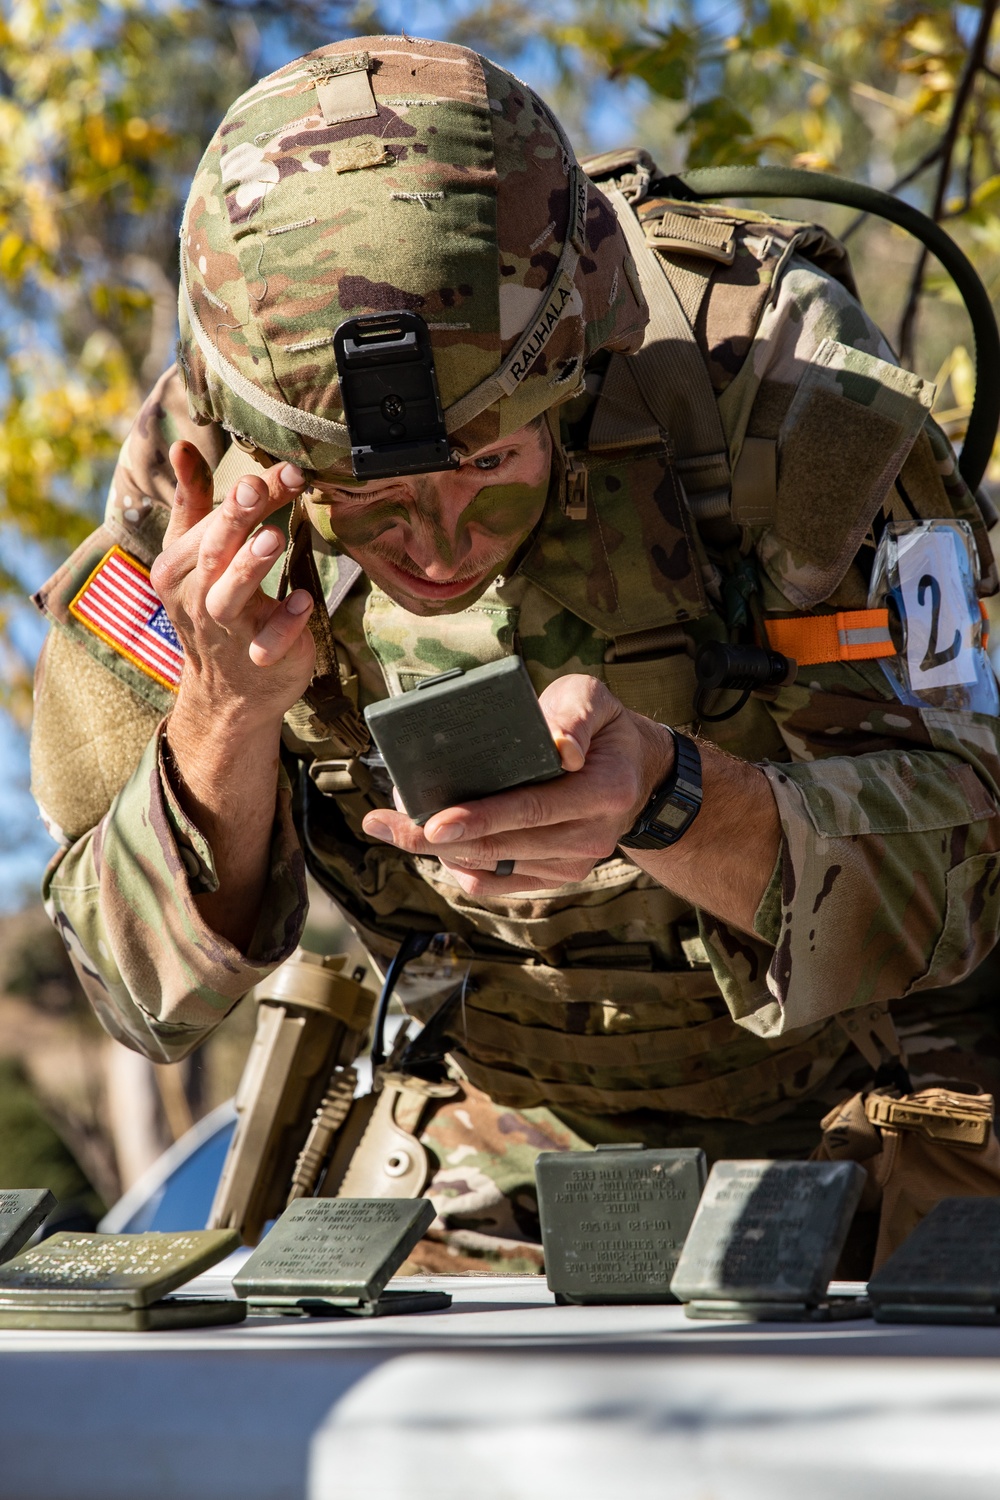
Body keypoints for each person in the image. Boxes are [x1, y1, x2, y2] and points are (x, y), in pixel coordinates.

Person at [30, 36, 1000, 1270]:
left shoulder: (781, 394)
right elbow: (133, 993)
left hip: (878, 1125)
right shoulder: (200, 475)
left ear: (578, 364)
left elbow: (973, 872)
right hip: (490, 1156)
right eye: (363, 495)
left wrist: (676, 803)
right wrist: (227, 711)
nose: (434, 543)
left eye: (488, 464)